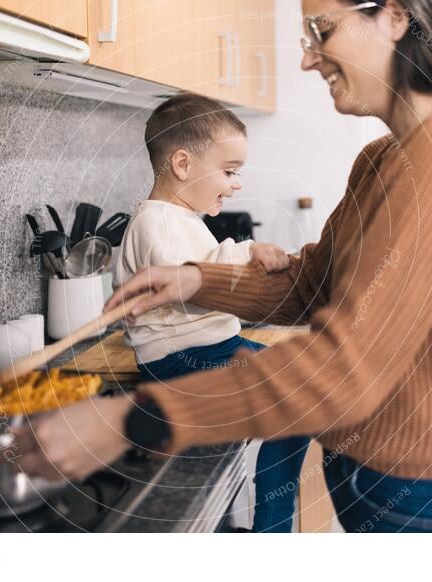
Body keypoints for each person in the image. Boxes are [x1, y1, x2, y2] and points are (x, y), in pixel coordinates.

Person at [19, 0, 432, 533]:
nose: (308, 58)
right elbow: (312, 284)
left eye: (321, 31)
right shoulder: (383, 157)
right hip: (405, 494)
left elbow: (347, 369)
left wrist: (132, 419)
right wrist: (194, 278)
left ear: (396, 17)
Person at [117, 93, 309, 532]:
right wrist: (247, 253)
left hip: (213, 350)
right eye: (229, 172)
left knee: (300, 395)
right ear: (183, 165)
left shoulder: (181, 218)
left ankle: (260, 529)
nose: (237, 183)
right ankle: (270, 530)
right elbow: (192, 285)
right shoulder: (156, 222)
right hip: (184, 363)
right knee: (297, 401)